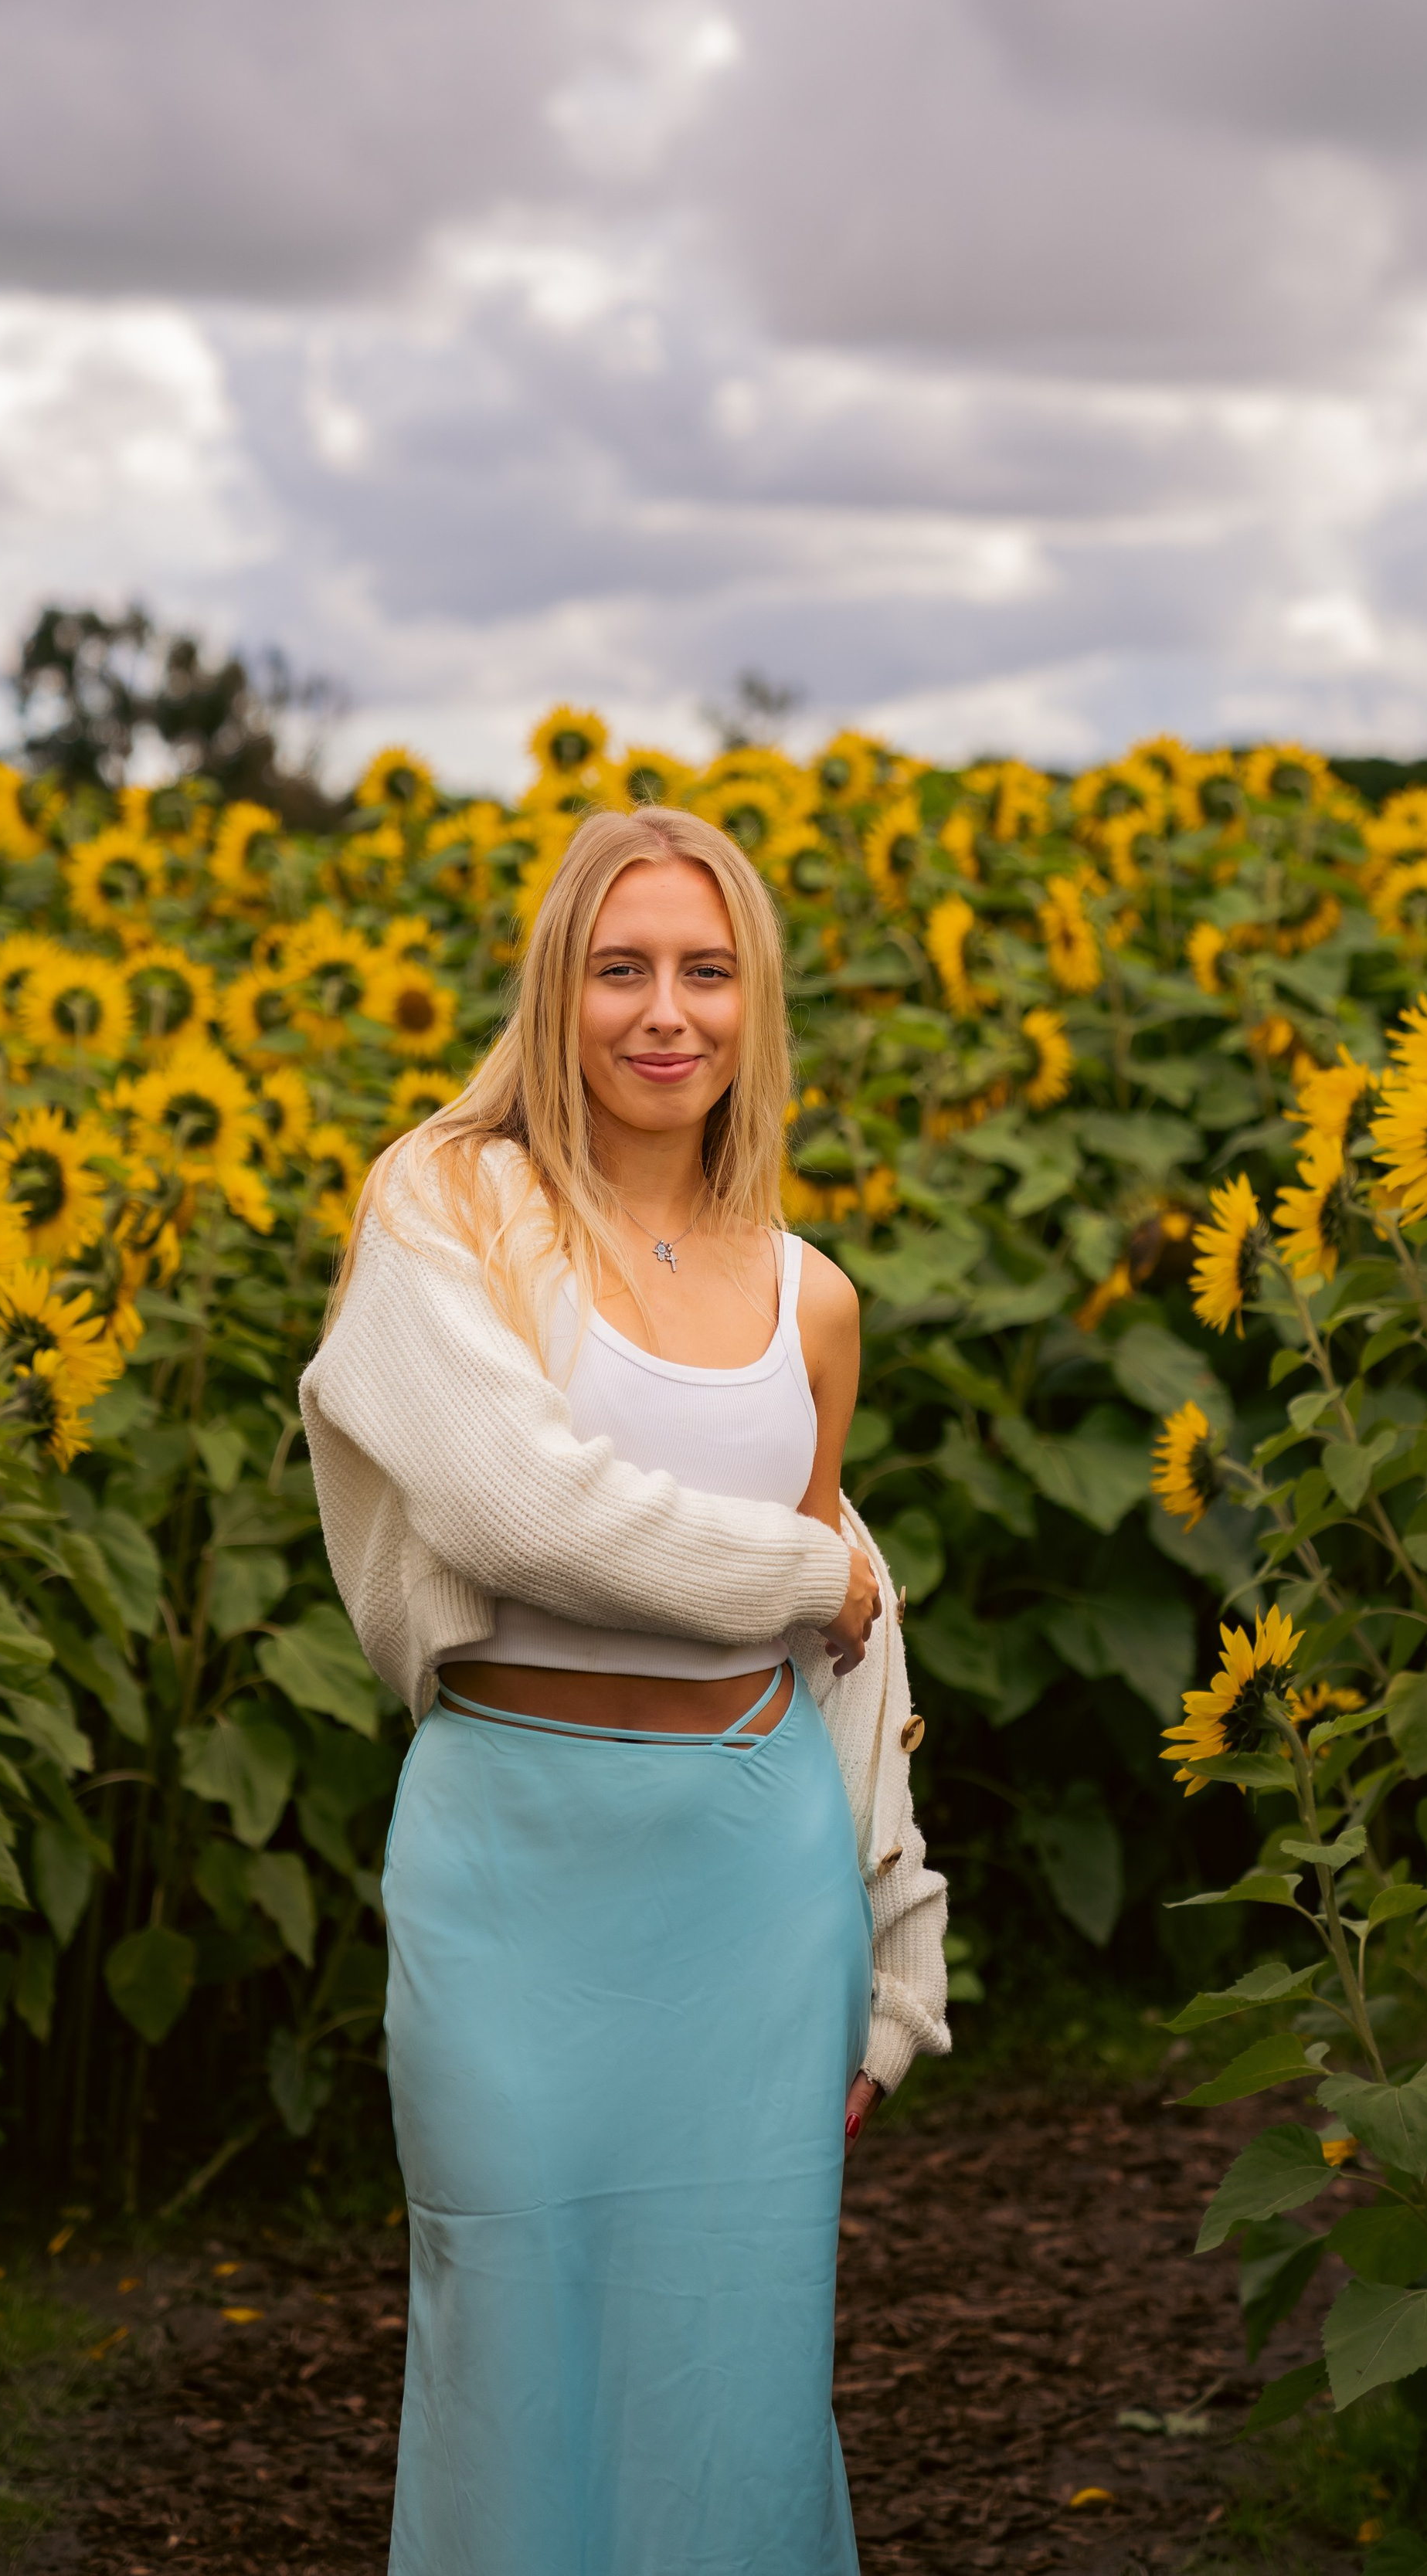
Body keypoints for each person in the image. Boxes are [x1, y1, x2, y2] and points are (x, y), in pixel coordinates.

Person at [300, 802, 949, 2576]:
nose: (664, 1012)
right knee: (504, 2340)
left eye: (705, 970)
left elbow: (848, 1671)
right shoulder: (447, 1206)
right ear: (554, 991)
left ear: (753, 1006)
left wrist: (895, 1960)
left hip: (750, 1882)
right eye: (620, 968)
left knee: (735, 2382)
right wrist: (809, 1573)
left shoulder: (810, 1301)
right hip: (512, 1859)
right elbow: (521, 1520)